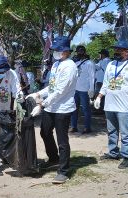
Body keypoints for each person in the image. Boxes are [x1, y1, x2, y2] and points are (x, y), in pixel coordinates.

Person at [26, 36, 78, 184]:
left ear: (66, 51)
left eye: (57, 50)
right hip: (51, 107)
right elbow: (52, 87)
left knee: (62, 140)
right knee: (45, 132)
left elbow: (60, 91)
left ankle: (63, 171)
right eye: (54, 50)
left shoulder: (70, 66)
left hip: (63, 108)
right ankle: (53, 157)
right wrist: (38, 94)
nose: (55, 52)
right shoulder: (55, 65)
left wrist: (41, 105)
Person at [94, 38, 128, 169]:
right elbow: (106, 83)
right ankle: (113, 153)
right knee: (111, 130)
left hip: (124, 105)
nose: (116, 51)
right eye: (115, 49)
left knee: (125, 132)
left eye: (119, 49)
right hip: (109, 104)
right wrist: (99, 97)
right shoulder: (111, 65)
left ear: (126, 51)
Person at [70, 45, 95, 134]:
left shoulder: (90, 63)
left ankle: (87, 127)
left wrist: (91, 90)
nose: (79, 53)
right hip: (75, 90)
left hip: (85, 90)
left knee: (86, 110)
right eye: (78, 52)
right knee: (74, 109)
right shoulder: (76, 63)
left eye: (80, 51)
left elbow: (92, 77)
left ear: (84, 52)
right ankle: (74, 126)